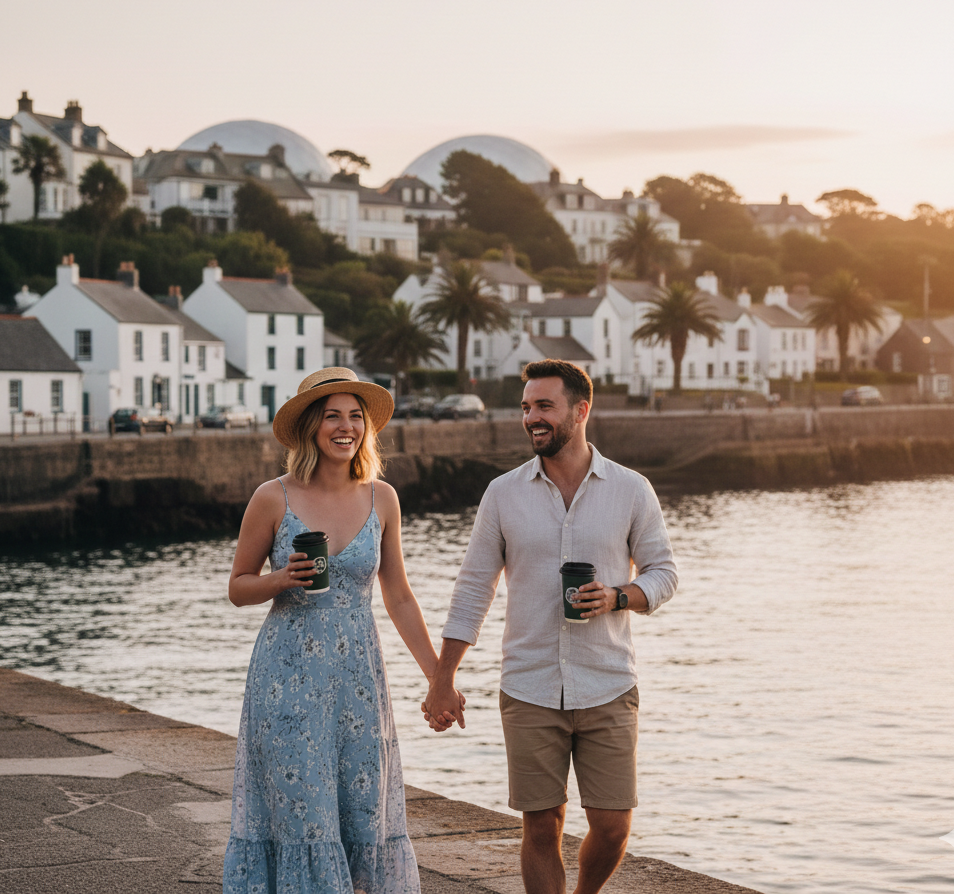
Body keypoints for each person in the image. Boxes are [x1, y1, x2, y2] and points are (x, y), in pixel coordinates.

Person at [422, 359, 678, 894]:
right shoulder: (502, 494)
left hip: (608, 682)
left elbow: (664, 573)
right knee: (542, 823)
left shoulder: (631, 490)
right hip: (529, 684)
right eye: (525, 407)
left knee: (612, 825)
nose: (531, 418)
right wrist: (443, 677)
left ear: (581, 411)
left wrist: (616, 597)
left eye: (544, 406)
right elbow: (474, 588)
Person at [223, 367, 460, 894]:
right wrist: (281, 579)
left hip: (359, 684)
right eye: (332, 416)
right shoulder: (272, 497)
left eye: (356, 417)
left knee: (362, 815)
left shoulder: (383, 498)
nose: (345, 426)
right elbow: (238, 587)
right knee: (303, 818)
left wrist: (437, 678)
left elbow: (397, 595)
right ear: (311, 426)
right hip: (286, 681)